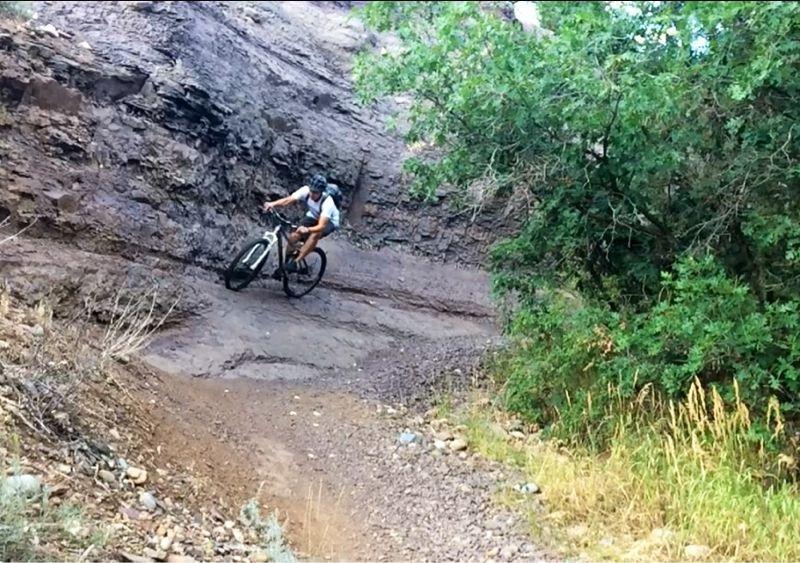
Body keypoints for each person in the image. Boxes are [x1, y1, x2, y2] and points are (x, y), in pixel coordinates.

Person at [262, 174, 340, 273]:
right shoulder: (305, 190)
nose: (312, 194)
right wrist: (272, 204)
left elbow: (321, 226)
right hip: (313, 215)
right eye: (311, 190)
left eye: (315, 192)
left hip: (329, 221)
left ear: (321, 192)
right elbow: (288, 200)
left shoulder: (328, 203)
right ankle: (286, 264)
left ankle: (295, 262)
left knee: (315, 234)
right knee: (293, 236)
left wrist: (307, 229)